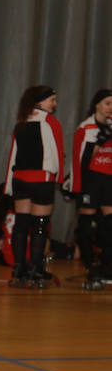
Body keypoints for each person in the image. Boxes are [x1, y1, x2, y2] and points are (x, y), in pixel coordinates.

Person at [2, 85, 63, 287]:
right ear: (40, 101)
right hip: (41, 179)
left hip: (19, 179)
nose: (54, 104)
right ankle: (35, 271)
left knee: (21, 225)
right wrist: (60, 178)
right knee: (40, 226)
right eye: (51, 100)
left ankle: (19, 269)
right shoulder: (51, 122)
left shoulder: (21, 122)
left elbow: (13, 155)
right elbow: (58, 154)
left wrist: (9, 185)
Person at [67, 89, 112, 288]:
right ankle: (90, 263)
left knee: (108, 225)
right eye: (107, 103)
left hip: (108, 180)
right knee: (86, 224)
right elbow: (82, 161)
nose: (110, 108)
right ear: (97, 105)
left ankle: (106, 265)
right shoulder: (86, 128)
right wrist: (98, 143)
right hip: (91, 180)